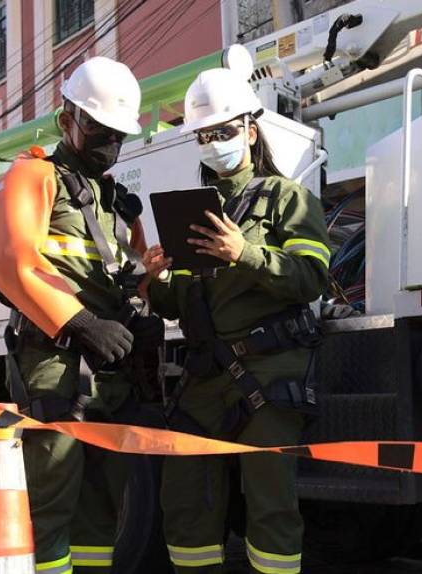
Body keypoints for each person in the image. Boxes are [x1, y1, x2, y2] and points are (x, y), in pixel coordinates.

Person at [141, 67, 331, 574]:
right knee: (184, 503)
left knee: (271, 505)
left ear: (250, 129)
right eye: (204, 136)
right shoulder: (198, 210)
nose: (214, 143)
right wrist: (156, 279)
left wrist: (245, 252)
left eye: (224, 132)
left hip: (270, 372)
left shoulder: (287, 197)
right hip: (205, 377)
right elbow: (181, 302)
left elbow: (310, 278)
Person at [0, 56, 158, 574]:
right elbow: (13, 264)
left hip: (109, 370)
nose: (110, 145)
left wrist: (143, 305)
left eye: (118, 136)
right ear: (67, 121)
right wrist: (82, 324)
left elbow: (132, 277)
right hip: (54, 362)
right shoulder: (33, 174)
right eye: (100, 131)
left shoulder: (119, 204)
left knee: (102, 502)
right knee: (51, 498)